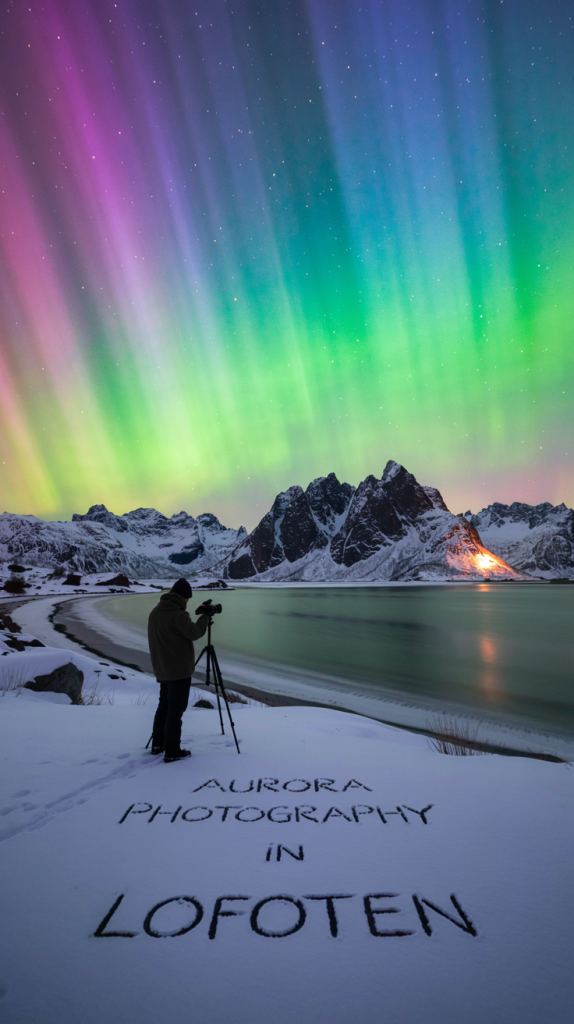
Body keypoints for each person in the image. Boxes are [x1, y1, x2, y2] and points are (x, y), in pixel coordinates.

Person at [148, 579, 209, 763]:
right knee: (176, 710)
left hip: (162, 668)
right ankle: (172, 750)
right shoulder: (178, 615)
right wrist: (205, 617)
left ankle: (158, 744)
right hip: (178, 671)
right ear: (182, 597)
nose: (187, 603)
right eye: (187, 600)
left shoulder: (155, 612)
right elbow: (195, 632)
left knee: (163, 707)